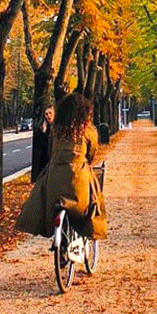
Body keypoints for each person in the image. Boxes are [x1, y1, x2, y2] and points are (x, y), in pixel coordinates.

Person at [15, 93, 107, 239]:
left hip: (55, 179)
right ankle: (92, 230)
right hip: (77, 178)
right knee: (94, 198)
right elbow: (91, 154)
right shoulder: (87, 130)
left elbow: (52, 152)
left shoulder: (56, 130)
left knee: (40, 192)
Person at [31, 106, 55, 182]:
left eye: (50, 113)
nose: (48, 116)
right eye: (46, 114)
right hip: (46, 161)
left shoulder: (57, 127)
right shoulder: (44, 128)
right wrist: (43, 132)